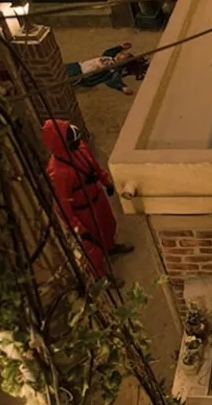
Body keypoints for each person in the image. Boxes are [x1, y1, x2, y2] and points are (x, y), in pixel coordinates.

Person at [41, 119, 133, 285]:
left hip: (97, 198)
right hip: (82, 211)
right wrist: (79, 229)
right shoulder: (58, 173)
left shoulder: (80, 148)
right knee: (91, 248)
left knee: (107, 225)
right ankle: (101, 278)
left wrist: (105, 181)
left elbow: (93, 165)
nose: (78, 142)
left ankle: (110, 247)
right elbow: (63, 206)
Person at [64, 42, 148, 95]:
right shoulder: (109, 57)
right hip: (78, 66)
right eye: (123, 53)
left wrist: (122, 87)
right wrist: (121, 47)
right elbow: (109, 51)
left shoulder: (113, 70)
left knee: (64, 79)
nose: (122, 54)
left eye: (125, 56)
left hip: (81, 74)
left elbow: (114, 81)